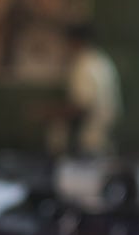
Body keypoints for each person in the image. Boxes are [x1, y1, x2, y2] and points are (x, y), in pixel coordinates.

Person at [47, 23, 123, 156]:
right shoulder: (102, 60)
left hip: (89, 141)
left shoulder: (83, 65)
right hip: (105, 137)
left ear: (75, 41)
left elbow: (82, 106)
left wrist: (48, 112)